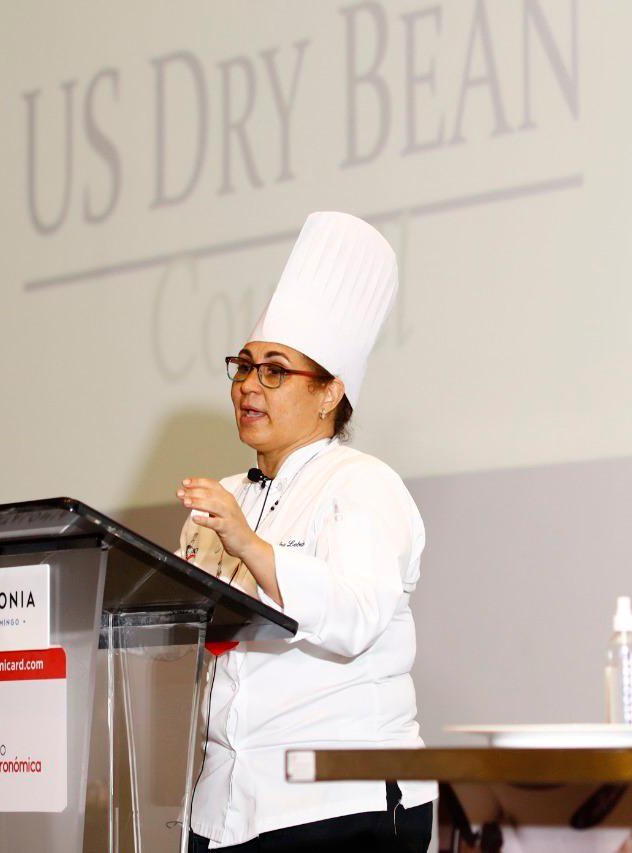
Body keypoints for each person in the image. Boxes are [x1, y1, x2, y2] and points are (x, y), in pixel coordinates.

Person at [175, 212, 436, 852]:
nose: (248, 386)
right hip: (224, 804)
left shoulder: (363, 484)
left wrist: (253, 547)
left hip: (341, 804)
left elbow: (354, 616)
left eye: (275, 370)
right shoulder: (224, 498)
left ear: (328, 394)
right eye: (244, 366)